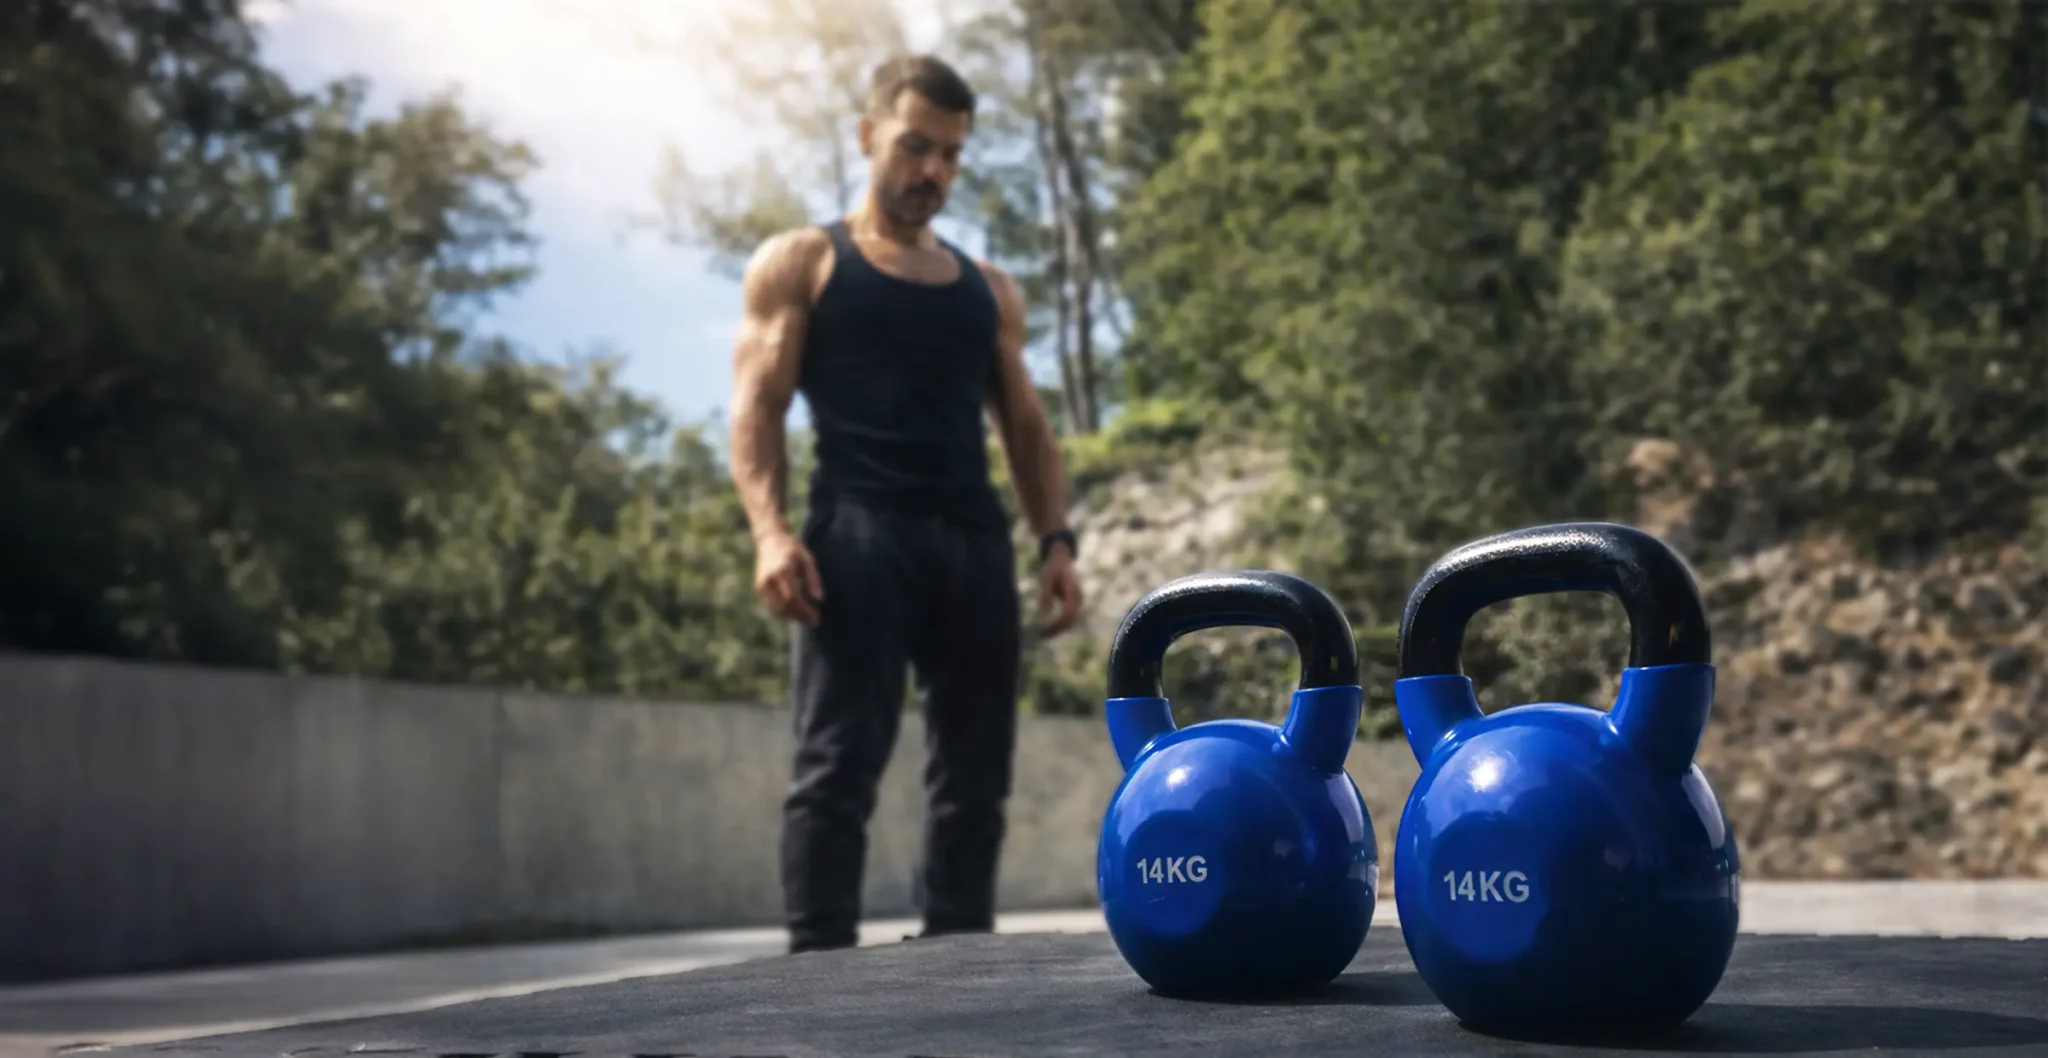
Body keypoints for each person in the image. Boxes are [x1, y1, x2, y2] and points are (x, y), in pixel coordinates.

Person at [727, 53, 1085, 954]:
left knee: (975, 783)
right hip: (855, 537)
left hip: (972, 545)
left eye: (952, 155)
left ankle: (956, 972)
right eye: (916, 146)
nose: (934, 171)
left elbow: (1029, 428)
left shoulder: (987, 289)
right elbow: (758, 408)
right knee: (834, 771)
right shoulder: (805, 261)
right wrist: (770, 534)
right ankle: (817, 979)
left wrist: (1055, 540)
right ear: (868, 136)